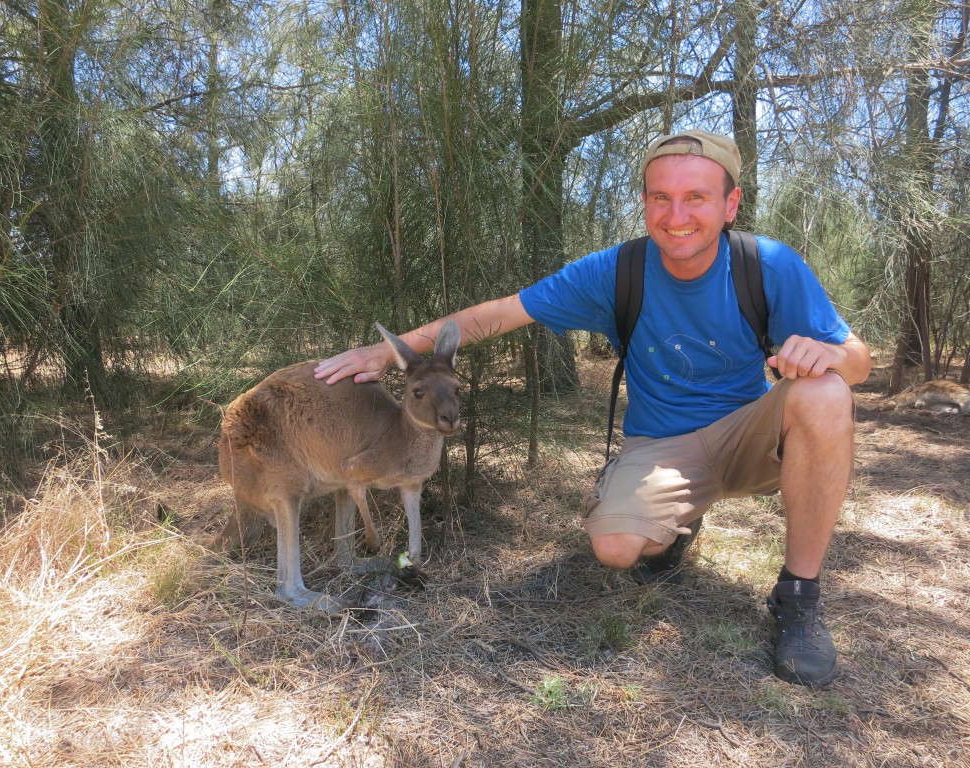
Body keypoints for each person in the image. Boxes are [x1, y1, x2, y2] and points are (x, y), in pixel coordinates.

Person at [314, 129, 871, 687]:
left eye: (696, 197)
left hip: (750, 436)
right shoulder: (618, 271)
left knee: (825, 392)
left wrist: (829, 354)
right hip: (663, 449)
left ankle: (798, 597)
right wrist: (387, 353)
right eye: (661, 198)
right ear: (646, 203)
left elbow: (859, 362)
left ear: (731, 204)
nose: (676, 215)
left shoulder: (768, 265)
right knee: (616, 547)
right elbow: (501, 314)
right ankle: (677, 521)